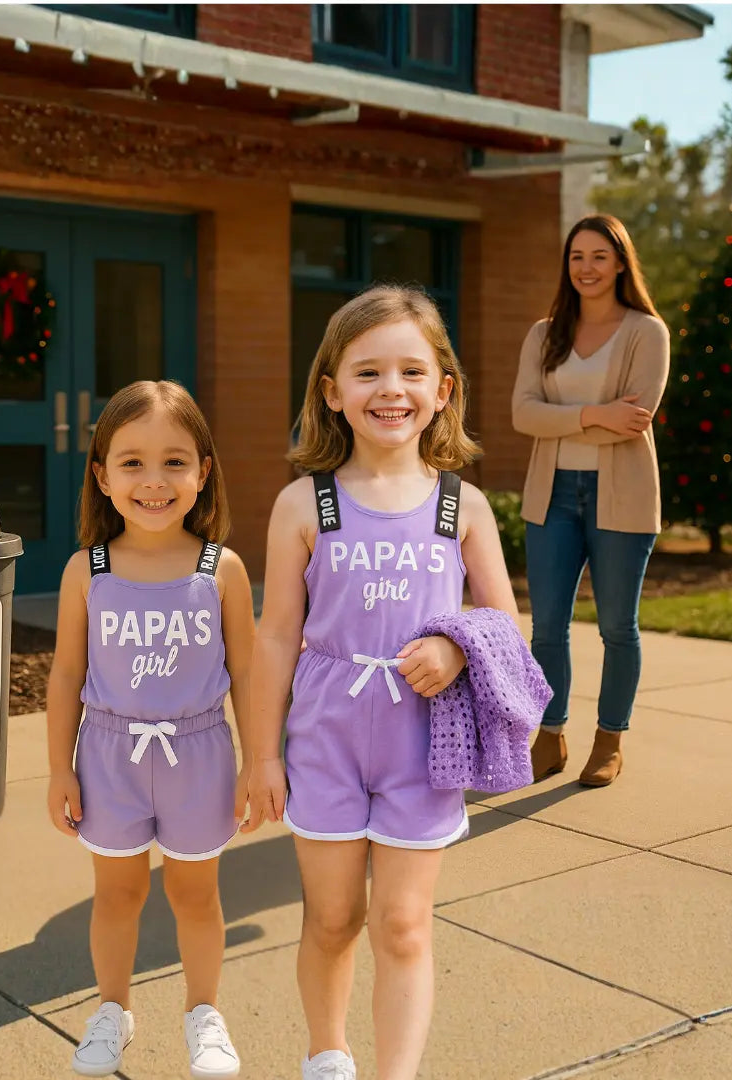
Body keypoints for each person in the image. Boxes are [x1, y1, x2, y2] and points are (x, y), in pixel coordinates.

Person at [243, 285, 520, 1080]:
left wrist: (460, 652)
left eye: (410, 371)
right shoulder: (305, 503)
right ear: (331, 392)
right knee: (332, 920)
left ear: (443, 390)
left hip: (421, 744)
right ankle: (327, 1055)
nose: (389, 390)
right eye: (366, 373)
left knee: (402, 925)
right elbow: (274, 636)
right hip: (325, 741)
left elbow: (504, 624)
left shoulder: (460, 507)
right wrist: (261, 755)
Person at [46, 380, 254, 1079]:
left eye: (175, 461)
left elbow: (250, 675)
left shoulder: (220, 568)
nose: (155, 481)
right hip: (109, 757)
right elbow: (66, 675)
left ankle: (204, 1011)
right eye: (132, 462)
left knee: (196, 895)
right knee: (119, 894)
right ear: (101, 475)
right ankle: (112, 1009)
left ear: (203, 471)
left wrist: (260, 762)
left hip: (199, 754)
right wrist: (57, 768)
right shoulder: (88, 570)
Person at [512, 214, 670, 787]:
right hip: (551, 496)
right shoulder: (543, 333)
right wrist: (596, 414)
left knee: (616, 628)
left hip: (621, 498)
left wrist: (565, 422)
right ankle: (549, 738)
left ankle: (609, 740)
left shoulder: (646, 332)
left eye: (599, 256)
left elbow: (635, 422)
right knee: (547, 627)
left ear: (622, 262)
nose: (587, 268)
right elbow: (521, 413)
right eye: (577, 256)